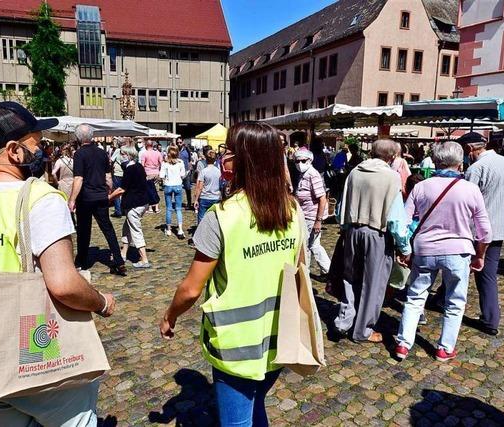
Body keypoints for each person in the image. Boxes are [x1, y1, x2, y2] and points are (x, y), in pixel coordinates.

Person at [0, 101, 115, 426]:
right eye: (37, 143)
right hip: (36, 358)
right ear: (14, 150)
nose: (43, 150)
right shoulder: (41, 199)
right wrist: (102, 302)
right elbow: (64, 284)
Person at [160, 122, 304, 426]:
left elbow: (190, 289)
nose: (225, 156)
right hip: (279, 339)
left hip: (236, 346)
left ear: (241, 160)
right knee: (256, 405)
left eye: (229, 150)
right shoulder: (293, 210)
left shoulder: (222, 216)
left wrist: (169, 315)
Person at [395, 142, 491, 362]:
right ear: (460, 162)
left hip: (425, 249)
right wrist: (481, 254)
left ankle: (402, 344)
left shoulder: (421, 187)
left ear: (436, 161)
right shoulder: (470, 189)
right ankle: (444, 348)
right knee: (455, 301)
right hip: (459, 251)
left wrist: (404, 249)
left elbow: (403, 222)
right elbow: (485, 230)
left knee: (415, 297)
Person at [333, 139, 411, 343]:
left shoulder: (355, 172)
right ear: (392, 156)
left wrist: (345, 229)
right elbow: (395, 218)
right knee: (373, 284)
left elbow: (341, 206)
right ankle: (363, 330)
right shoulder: (391, 177)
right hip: (377, 233)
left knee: (349, 277)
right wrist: (404, 246)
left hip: (352, 230)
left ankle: (344, 321)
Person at [463, 133, 504, 336]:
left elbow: (466, 200)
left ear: (469, 150)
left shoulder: (476, 168)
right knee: (487, 274)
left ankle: (446, 301)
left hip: (477, 230)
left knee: (462, 268)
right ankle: (491, 318)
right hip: (500, 226)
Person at [69, 124, 127, 276]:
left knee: (84, 230)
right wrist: (108, 191)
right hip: (100, 196)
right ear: (92, 136)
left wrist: (72, 199)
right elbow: (108, 177)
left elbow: (78, 178)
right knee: (107, 228)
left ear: (78, 138)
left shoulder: (79, 154)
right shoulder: (102, 153)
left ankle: (81, 261)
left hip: (86, 197)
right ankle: (119, 260)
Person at [109, 146, 151, 268]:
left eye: (122, 153)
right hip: (143, 202)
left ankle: (144, 259)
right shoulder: (138, 166)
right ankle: (123, 253)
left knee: (136, 230)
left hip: (134, 205)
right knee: (126, 228)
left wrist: (109, 198)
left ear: (128, 155)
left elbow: (122, 189)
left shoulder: (130, 169)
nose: (120, 156)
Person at [292, 148, 331, 277]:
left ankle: (308, 272)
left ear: (309, 160)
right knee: (313, 244)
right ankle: (327, 270)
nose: (299, 163)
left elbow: (322, 198)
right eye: (297, 161)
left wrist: (318, 221)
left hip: (312, 216)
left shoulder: (312, 174)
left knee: (310, 245)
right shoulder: (303, 174)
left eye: (303, 160)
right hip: (305, 215)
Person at [160, 146, 186, 239]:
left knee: (168, 208)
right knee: (178, 208)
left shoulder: (165, 163)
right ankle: (180, 229)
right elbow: (183, 175)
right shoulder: (180, 162)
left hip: (168, 185)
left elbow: (161, 175)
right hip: (178, 185)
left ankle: (169, 229)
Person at [193, 150, 221, 224]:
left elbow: (200, 187)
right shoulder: (219, 172)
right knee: (215, 219)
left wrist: (196, 199)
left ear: (206, 159)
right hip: (216, 197)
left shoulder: (203, 171)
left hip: (204, 197)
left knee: (201, 218)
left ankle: (201, 233)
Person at [140, 139, 162, 214]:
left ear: (146, 145)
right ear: (152, 145)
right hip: (156, 173)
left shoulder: (144, 154)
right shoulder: (158, 153)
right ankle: (156, 207)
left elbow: (142, 165)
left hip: (147, 174)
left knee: (149, 190)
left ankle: (149, 208)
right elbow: (161, 163)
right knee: (156, 190)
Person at [176, 138, 193, 210]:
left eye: (180, 142)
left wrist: (189, 169)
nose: (179, 144)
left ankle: (189, 203)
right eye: (178, 143)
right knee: (177, 189)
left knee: (188, 188)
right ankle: (178, 204)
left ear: (182, 142)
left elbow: (190, 160)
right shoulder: (175, 150)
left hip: (186, 172)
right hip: (177, 173)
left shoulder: (187, 150)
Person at [110, 140, 125, 218]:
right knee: (124, 192)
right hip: (125, 173)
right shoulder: (127, 150)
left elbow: (111, 160)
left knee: (116, 192)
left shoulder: (118, 150)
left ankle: (118, 211)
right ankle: (124, 209)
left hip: (118, 173)